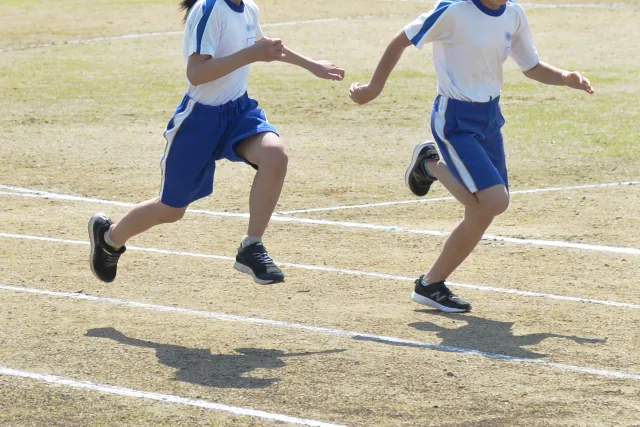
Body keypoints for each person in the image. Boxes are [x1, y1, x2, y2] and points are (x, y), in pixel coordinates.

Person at [349, 0, 593, 312]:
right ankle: (429, 164)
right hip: (455, 120)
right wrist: (373, 88)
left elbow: (530, 66)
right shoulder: (454, 11)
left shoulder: (514, 14)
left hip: (490, 119)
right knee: (495, 202)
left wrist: (564, 77)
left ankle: (431, 285)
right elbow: (402, 39)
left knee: (482, 213)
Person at [88, 0, 344, 285]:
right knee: (171, 210)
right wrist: (250, 54)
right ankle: (109, 239)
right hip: (200, 120)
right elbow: (197, 73)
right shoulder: (209, 9)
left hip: (238, 112)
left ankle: (252, 246)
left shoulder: (249, 8)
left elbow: (265, 46)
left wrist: (312, 66)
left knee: (275, 155)